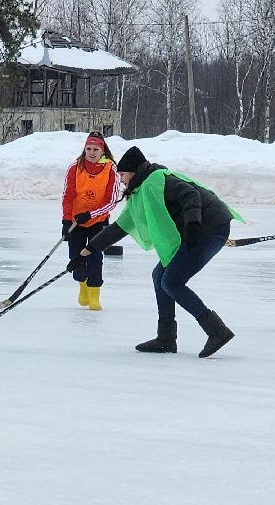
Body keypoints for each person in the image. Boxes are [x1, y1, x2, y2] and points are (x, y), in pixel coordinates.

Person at [72, 145, 237, 358]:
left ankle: (216, 330)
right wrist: (85, 252)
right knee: (160, 276)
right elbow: (118, 228)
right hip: (196, 230)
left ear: (132, 171)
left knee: (172, 281)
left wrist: (193, 223)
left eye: (122, 175)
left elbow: (190, 195)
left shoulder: (158, 181)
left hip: (209, 227)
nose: (121, 180)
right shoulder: (141, 193)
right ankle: (166, 337)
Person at [61, 131, 121, 310]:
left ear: (102, 151)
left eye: (96, 149)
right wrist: (66, 221)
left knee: (95, 256)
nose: (92, 152)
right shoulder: (75, 167)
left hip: (98, 221)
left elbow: (111, 201)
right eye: (89, 148)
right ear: (84, 149)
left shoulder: (111, 169)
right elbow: (68, 195)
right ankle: (82, 283)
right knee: (75, 256)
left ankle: (94, 293)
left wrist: (91, 214)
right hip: (76, 222)